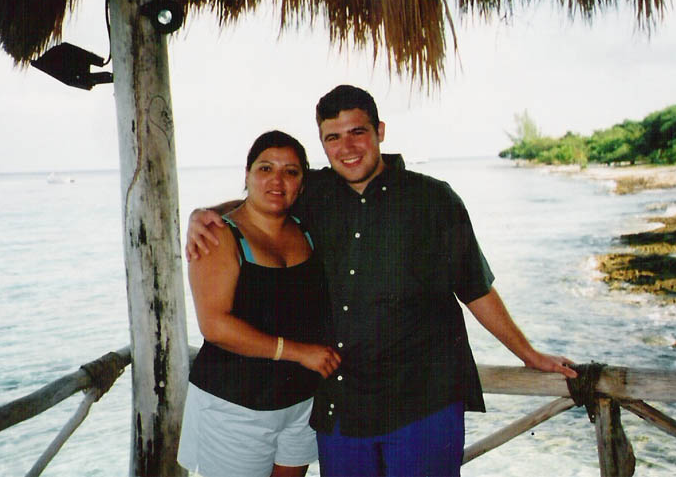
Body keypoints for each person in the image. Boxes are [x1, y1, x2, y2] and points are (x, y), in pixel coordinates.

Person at [187, 86, 577, 477]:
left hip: (422, 400)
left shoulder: (434, 200)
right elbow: (262, 205)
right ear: (322, 143)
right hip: (342, 403)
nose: (347, 147)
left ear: (380, 131)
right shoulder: (314, 193)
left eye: (358, 131)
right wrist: (202, 215)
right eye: (332, 137)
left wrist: (528, 355)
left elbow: (476, 289)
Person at [177, 130, 341, 477]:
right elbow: (215, 326)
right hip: (236, 406)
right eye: (265, 169)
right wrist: (301, 353)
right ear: (247, 175)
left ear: (302, 182)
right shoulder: (219, 234)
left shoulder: (306, 228)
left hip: (299, 402)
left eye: (290, 171)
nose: (277, 181)